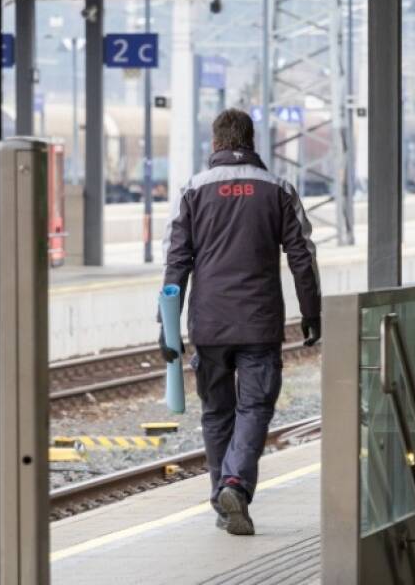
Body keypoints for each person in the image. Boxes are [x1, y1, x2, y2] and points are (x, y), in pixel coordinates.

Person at [160, 107, 322, 537]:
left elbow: (176, 263)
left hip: (208, 323)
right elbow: (302, 256)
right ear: (251, 142)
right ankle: (235, 485)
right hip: (259, 322)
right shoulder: (278, 188)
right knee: (254, 407)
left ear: (215, 143)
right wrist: (311, 312)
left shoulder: (192, 190)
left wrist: (167, 327)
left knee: (217, 413)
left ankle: (224, 500)